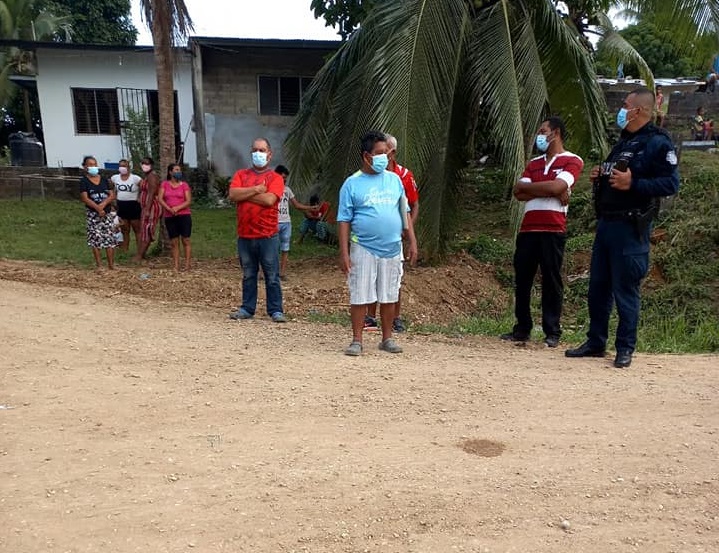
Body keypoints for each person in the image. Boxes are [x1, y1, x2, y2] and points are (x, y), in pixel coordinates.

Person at [566, 87, 679, 368]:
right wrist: (600, 175)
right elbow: (615, 173)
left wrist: (634, 184)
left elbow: (670, 184)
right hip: (607, 224)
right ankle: (595, 342)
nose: (620, 109)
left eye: (625, 105)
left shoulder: (658, 143)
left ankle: (625, 347)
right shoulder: (623, 142)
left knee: (626, 290)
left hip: (631, 228)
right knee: (598, 288)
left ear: (638, 110)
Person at [500, 117, 584, 348]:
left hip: (553, 228)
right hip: (528, 228)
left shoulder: (572, 160)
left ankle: (552, 330)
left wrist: (542, 188)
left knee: (552, 279)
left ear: (555, 133)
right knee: (523, 279)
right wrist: (550, 189)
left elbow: (558, 187)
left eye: (542, 131)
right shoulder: (535, 162)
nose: (539, 135)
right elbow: (518, 192)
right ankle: (522, 328)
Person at [338, 130, 418, 356]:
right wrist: (344, 253)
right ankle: (357, 339)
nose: (386, 158)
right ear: (366, 156)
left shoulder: (395, 181)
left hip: (392, 247)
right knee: (360, 294)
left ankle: (387, 338)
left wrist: (412, 241)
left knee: (390, 294)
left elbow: (405, 212)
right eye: (380, 153)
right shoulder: (352, 184)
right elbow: (344, 220)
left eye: (388, 153)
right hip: (363, 247)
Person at [364, 134, 420, 333]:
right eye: (376, 151)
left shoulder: (403, 176)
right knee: (371, 276)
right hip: (371, 238)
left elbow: (412, 205)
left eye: (383, 151)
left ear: (392, 152)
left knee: (394, 278)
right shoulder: (367, 176)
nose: (380, 155)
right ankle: (370, 317)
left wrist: (407, 229)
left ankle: (395, 318)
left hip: (395, 236)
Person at [228, 138, 287, 323]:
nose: (258, 153)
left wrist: (244, 195)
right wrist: (255, 189)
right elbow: (232, 194)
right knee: (248, 274)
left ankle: (276, 310)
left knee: (271, 275)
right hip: (245, 236)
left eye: (262, 150)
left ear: (270, 154)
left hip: (268, 236)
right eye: (255, 150)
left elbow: (270, 200)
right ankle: (247, 308)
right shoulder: (241, 174)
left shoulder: (275, 178)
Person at [275, 164, 316, 280]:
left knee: (285, 248)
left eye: (285, 178)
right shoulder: (270, 188)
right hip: (274, 222)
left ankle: (282, 273)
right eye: (282, 177)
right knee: (271, 248)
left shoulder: (287, 190)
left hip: (286, 222)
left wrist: (309, 208)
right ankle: (265, 272)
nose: (283, 180)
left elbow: (296, 205)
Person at [79, 155, 116, 271]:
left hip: (107, 213)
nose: (93, 167)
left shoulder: (104, 179)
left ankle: (111, 265)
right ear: (84, 167)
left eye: (94, 164)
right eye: (90, 165)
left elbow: (111, 195)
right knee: (95, 238)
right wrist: (98, 208)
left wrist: (103, 206)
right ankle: (99, 265)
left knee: (109, 238)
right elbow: (85, 198)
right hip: (93, 214)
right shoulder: (84, 181)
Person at [157, 163, 192, 272]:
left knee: (185, 240)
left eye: (179, 170)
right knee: (174, 242)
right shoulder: (164, 184)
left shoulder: (184, 185)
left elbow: (188, 200)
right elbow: (160, 198)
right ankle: (176, 265)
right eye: (176, 170)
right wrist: (169, 208)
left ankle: (187, 265)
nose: (178, 172)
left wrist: (177, 208)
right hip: (170, 216)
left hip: (184, 215)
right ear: (170, 172)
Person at [110, 158, 142, 253]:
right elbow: (110, 187)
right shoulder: (115, 178)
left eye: (124, 166)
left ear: (129, 167)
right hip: (121, 206)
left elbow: (145, 187)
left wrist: (140, 196)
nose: (122, 168)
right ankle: (125, 250)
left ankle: (140, 251)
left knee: (137, 229)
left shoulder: (135, 178)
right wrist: (113, 198)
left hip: (134, 206)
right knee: (124, 229)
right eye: (120, 166)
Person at [134, 156, 162, 261]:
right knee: (144, 230)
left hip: (151, 207)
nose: (144, 166)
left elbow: (151, 193)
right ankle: (142, 253)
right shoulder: (146, 176)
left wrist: (147, 209)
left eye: (147, 163)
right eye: (143, 163)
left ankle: (140, 255)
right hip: (145, 206)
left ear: (151, 165)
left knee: (147, 230)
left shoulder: (152, 176)